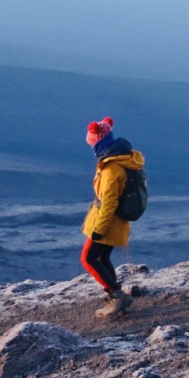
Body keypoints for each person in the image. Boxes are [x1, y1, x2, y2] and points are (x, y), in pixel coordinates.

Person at [80, 117, 146, 318]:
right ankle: (115, 296)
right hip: (116, 221)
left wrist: (99, 229)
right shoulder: (123, 159)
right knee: (102, 257)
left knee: (88, 258)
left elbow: (109, 202)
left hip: (108, 222)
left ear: (98, 142)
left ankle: (117, 296)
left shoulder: (111, 168)